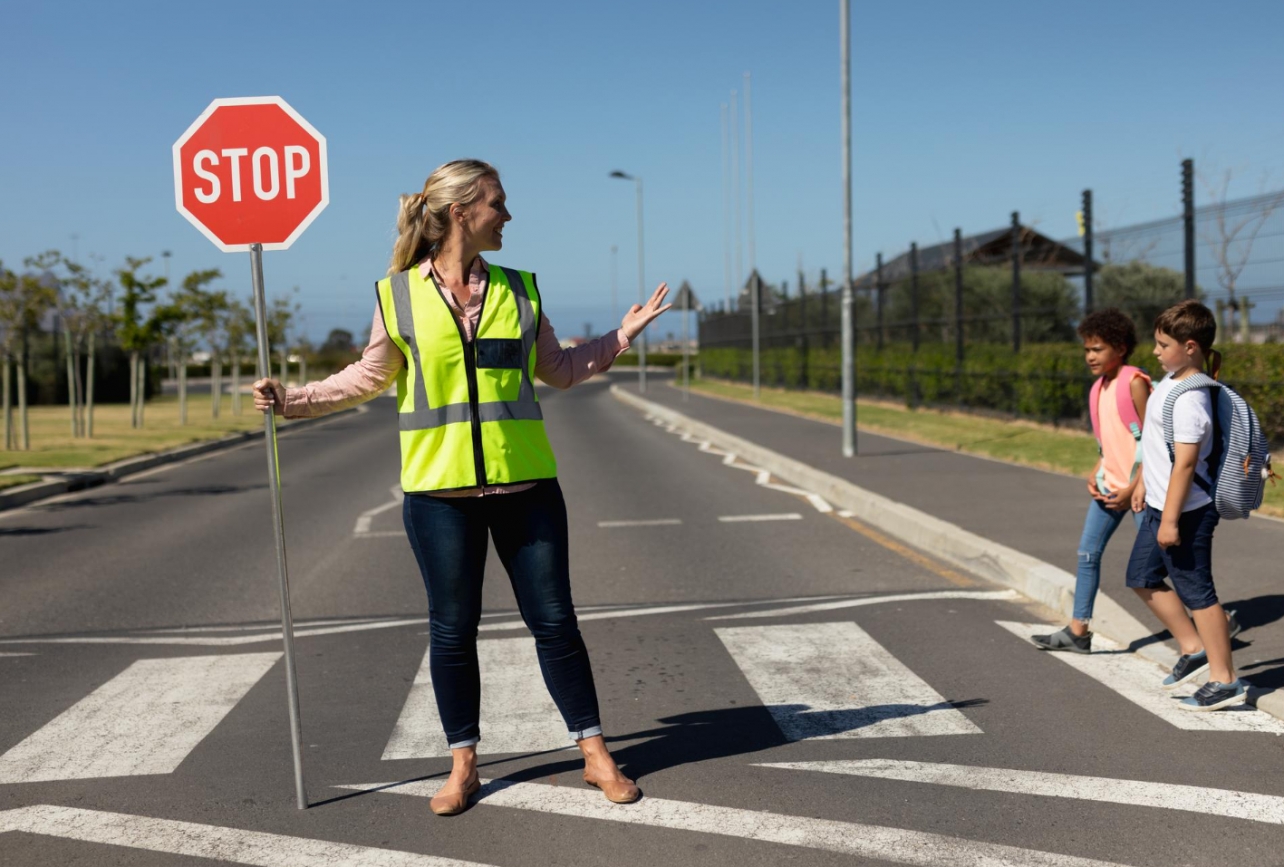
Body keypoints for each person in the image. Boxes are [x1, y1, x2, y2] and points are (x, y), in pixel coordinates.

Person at [253, 159, 671, 813]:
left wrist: (620, 336)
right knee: (453, 630)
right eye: (499, 204)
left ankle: (596, 755)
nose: (508, 216)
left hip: (526, 486)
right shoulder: (397, 296)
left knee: (556, 622)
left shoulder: (520, 289)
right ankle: (463, 765)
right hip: (438, 496)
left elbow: (558, 371)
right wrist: (292, 399)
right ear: (462, 212)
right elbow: (366, 377)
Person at [1126, 300, 1244, 711]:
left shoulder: (1191, 397)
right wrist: (1142, 480)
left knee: (1199, 594)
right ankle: (1194, 648)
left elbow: (1187, 462)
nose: (1155, 351)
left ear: (1190, 346)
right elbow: (1157, 446)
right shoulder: (1170, 382)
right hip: (1160, 505)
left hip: (1187, 512)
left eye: (1162, 344)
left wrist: (1171, 520)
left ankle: (1225, 678)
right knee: (1141, 576)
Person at [1032, 309, 1149, 653]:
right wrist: (1097, 469)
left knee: (1164, 563)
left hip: (1141, 489)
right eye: (1087, 349)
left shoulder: (1135, 382)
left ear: (1121, 348)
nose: (1090, 356)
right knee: (1087, 554)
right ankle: (1078, 631)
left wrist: (1135, 487)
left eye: (1097, 349)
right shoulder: (1098, 388)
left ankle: (1212, 621)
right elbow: (1111, 440)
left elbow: (1156, 442)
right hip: (1109, 486)